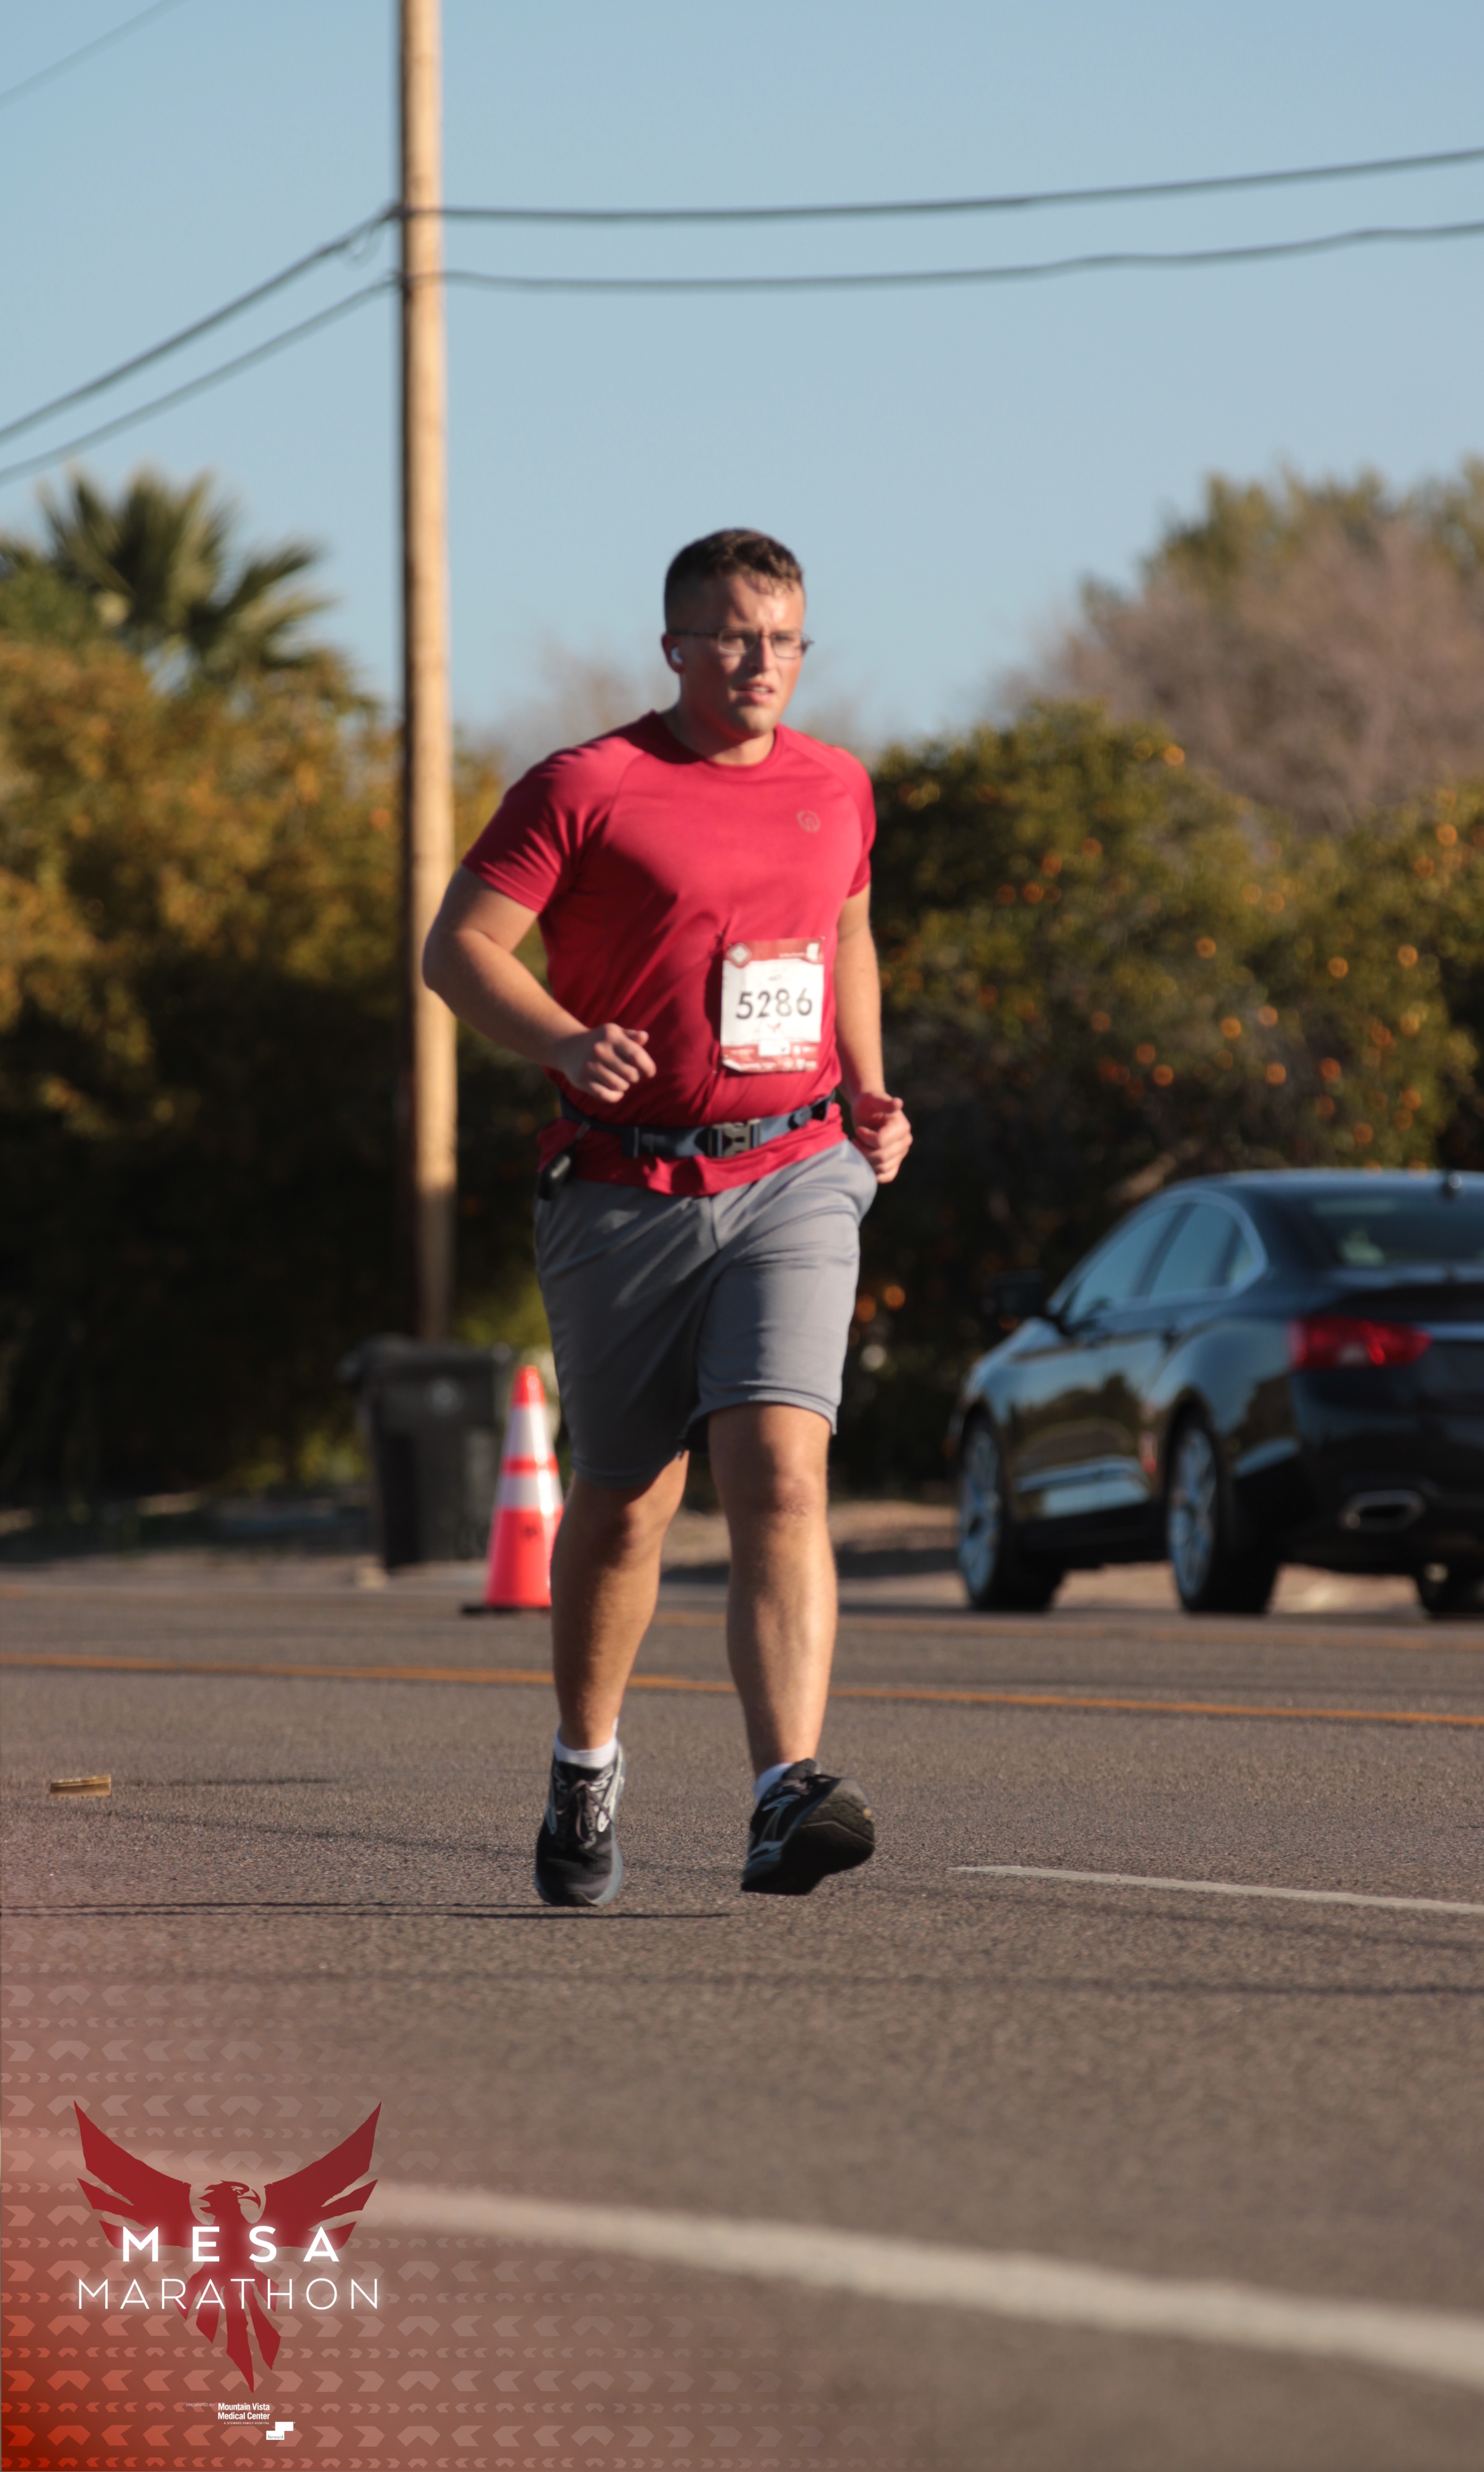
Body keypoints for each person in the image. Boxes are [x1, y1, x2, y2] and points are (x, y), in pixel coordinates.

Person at [422, 528, 912, 1909]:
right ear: (676, 647)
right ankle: (585, 1764)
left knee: (782, 1469)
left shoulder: (837, 784)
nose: (764, 662)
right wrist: (563, 1041)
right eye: (737, 636)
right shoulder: (587, 785)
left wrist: (870, 1090)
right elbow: (457, 949)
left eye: (786, 639)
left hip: (797, 1168)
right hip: (622, 1185)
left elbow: (846, 936)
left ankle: (783, 1790)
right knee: (630, 1499)